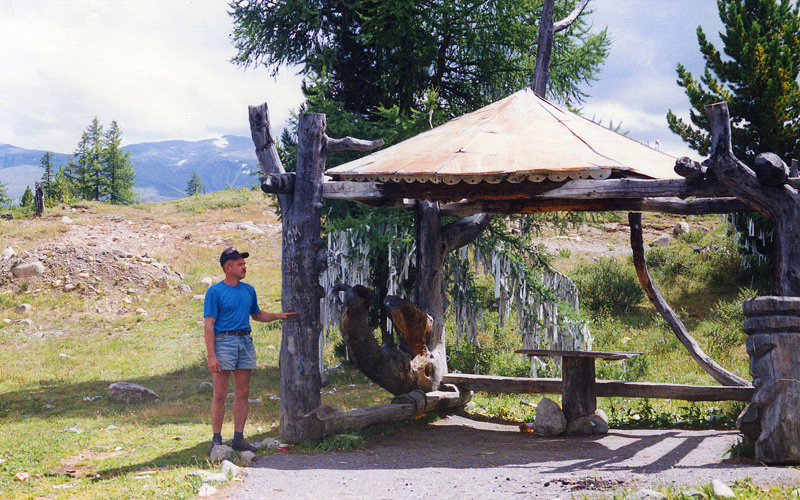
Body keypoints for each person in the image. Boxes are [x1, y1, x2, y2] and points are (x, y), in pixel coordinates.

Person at [204, 246, 295, 453]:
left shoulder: (248, 290)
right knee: (219, 393)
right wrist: (212, 356)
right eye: (239, 264)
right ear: (228, 268)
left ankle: (238, 438)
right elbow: (209, 324)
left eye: (244, 263)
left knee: (243, 392)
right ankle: (216, 439)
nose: (244, 267)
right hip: (224, 341)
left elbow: (257, 314)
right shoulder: (215, 291)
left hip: (245, 342)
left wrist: (278, 316)